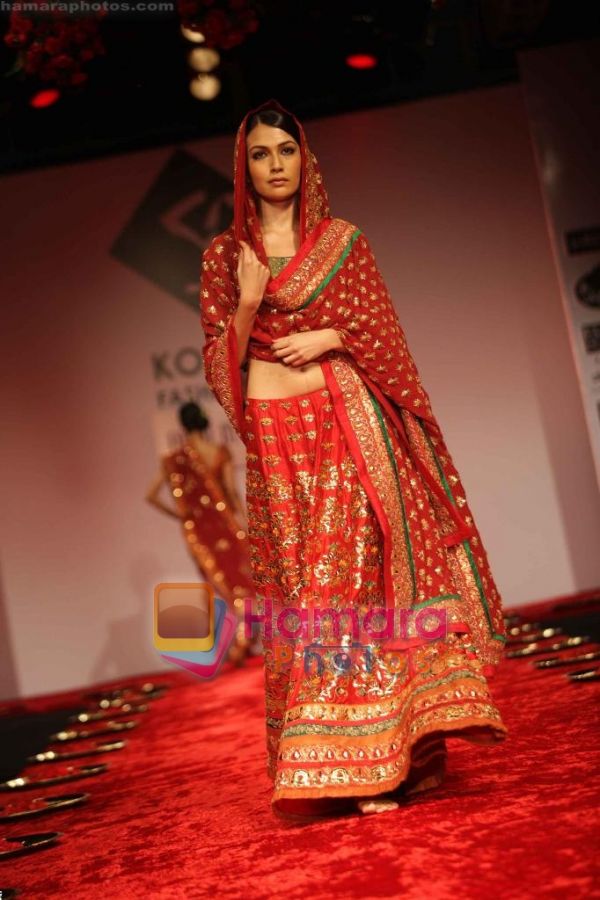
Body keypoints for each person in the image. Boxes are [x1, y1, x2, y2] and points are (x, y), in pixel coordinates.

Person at [199, 98, 508, 820]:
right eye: (260, 154)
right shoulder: (225, 256)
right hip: (276, 442)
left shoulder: (344, 242)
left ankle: (385, 759)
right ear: (243, 168)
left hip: (348, 429)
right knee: (306, 594)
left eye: (286, 150)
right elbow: (221, 366)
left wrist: (335, 336)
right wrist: (247, 303)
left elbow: (384, 335)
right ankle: (346, 758)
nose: (276, 165)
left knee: (348, 589)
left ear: (306, 158)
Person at [145, 401, 260, 665]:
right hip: (227, 527)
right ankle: (243, 638)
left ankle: (238, 641)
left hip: (200, 533)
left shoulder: (174, 459)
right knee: (242, 581)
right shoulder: (218, 452)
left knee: (219, 582)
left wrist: (183, 517)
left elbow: (151, 496)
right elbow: (232, 493)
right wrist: (245, 525)